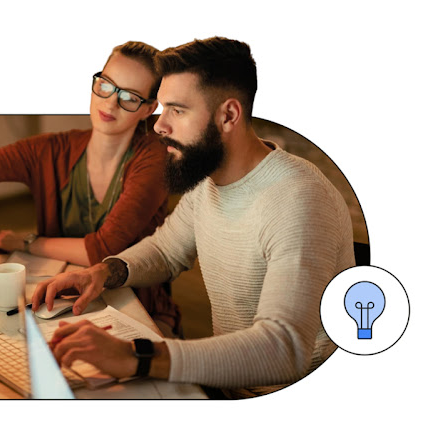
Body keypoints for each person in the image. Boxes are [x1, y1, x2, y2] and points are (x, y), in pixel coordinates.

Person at [32, 37, 355, 398]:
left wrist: (137, 356)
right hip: (228, 384)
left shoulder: (298, 200)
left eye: (177, 110)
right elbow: (166, 251)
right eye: (163, 108)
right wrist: (102, 272)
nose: (158, 126)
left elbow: (284, 347)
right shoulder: (209, 180)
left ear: (228, 115)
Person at [0, 42, 181, 336]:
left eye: (129, 97)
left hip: (133, 305)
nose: (109, 103)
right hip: (57, 296)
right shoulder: (56, 149)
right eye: (106, 85)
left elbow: (103, 250)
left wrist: (28, 242)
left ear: (148, 108)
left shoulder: (154, 160)